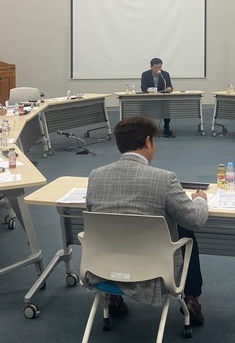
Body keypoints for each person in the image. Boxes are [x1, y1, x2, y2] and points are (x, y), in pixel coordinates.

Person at [86, 116, 208, 324]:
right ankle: (191, 297)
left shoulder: (95, 176)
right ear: (148, 141)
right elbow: (196, 220)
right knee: (185, 229)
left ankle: (113, 294)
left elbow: (92, 214)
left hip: (104, 268)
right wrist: (200, 200)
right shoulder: (165, 178)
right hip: (153, 273)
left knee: (112, 225)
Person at [140, 58, 175, 138]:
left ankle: (167, 128)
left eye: (159, 67)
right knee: (144, 108)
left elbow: (170, 86)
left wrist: (169, 88)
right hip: (149, 98)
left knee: (166, 107)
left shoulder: (165, 74)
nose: (158, 69)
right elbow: (143, 87)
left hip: (161, 98)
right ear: (151, 67)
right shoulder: (145, 74)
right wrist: (151, 90)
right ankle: (146, 129)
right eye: (156, 68)